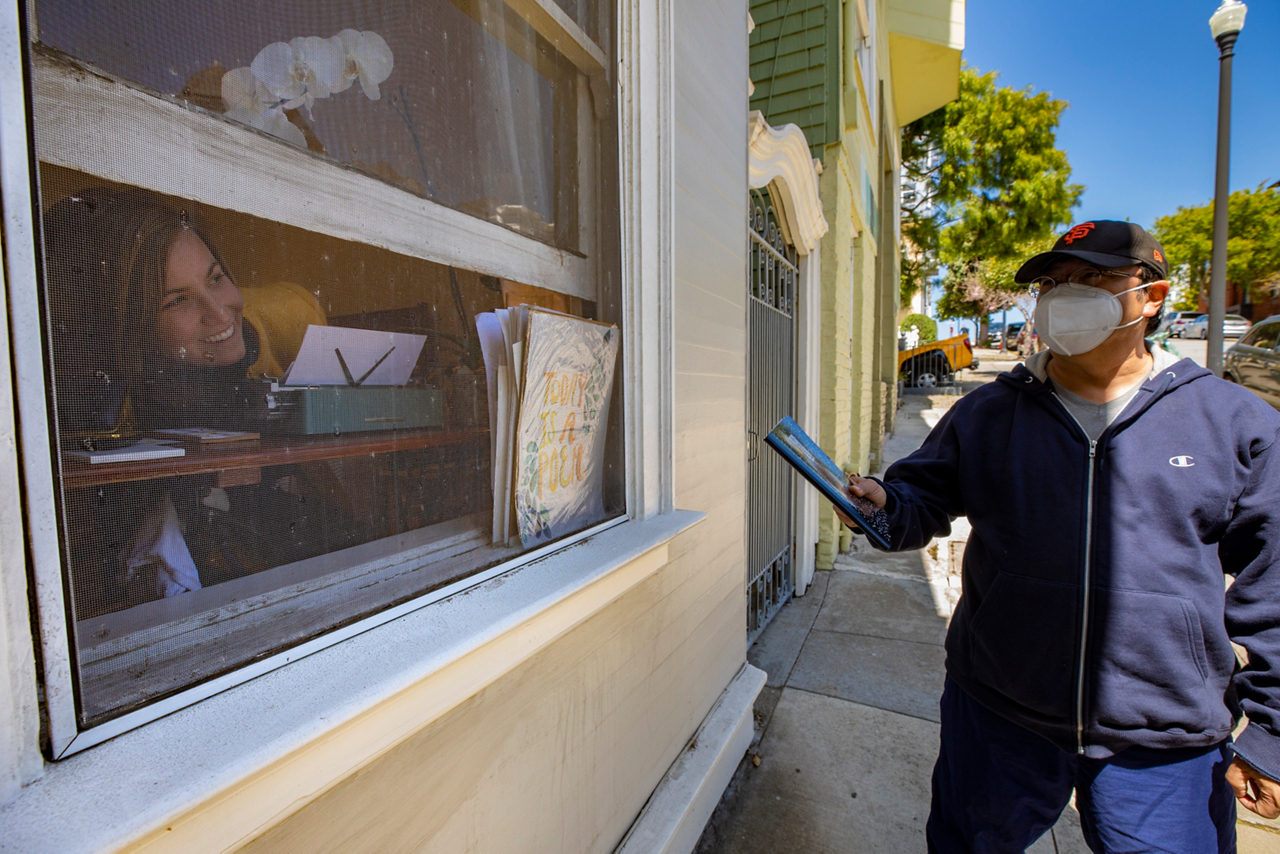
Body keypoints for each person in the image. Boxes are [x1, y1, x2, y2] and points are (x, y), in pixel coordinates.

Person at [840, 221, 1280, 851]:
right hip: (997, 716)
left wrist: (1271, 735)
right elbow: (921, 501)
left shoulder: (1233, 424)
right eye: (1053, 282)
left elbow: (1275, 587)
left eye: (1093, 279)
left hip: (1163, 742)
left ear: (1152, 296)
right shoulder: (991, 412)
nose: (1064, 294)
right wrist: (884, 505)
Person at [44, 187, 356, 613]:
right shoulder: (110, 426)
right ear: (127, 326)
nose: (221, 312)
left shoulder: (257, 353)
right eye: (177, 300)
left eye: (215, 278)